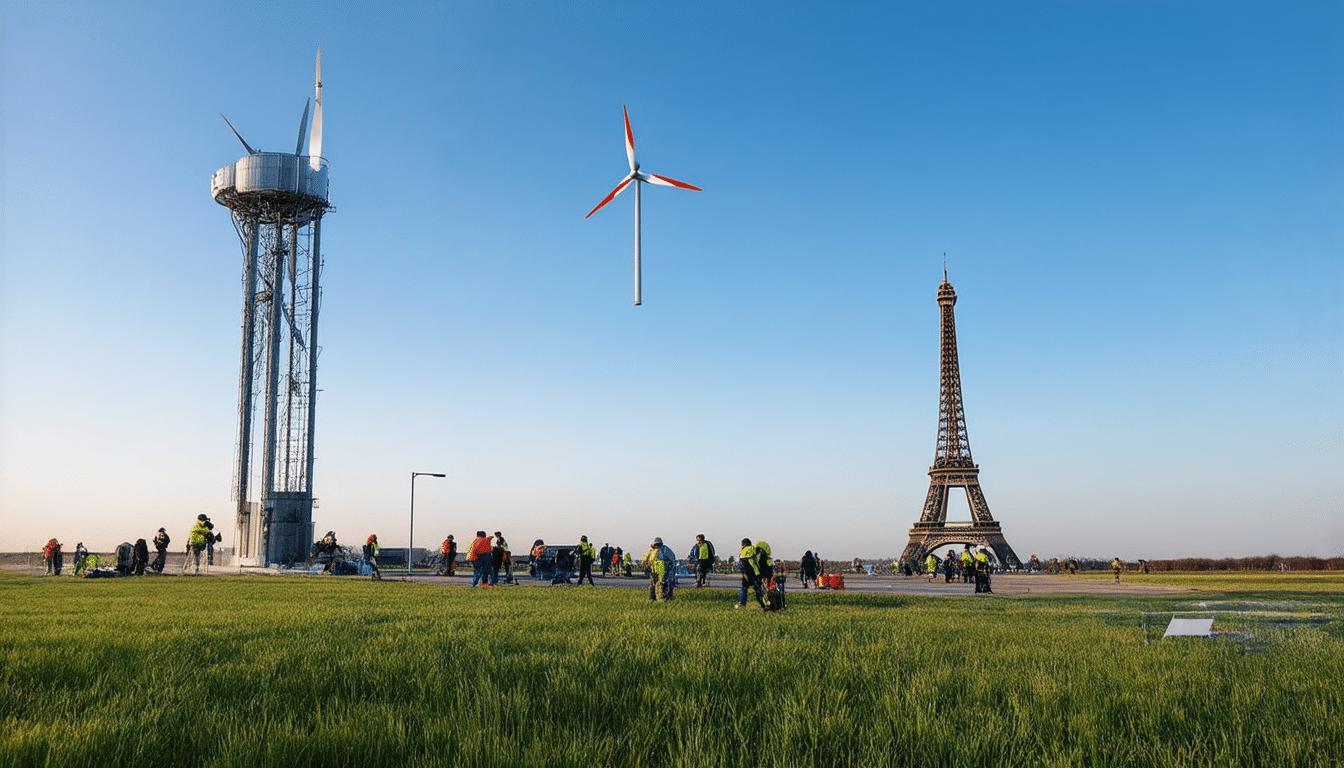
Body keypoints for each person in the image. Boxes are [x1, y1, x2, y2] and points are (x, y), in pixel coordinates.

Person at [736, 538, 766, 610]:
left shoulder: (743, 551)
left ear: (744, 544)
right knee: (758, 588)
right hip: (756, 572)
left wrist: (743, 574)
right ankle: (763, 603)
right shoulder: (754, 549)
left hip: (747, 572)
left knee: (744, 587)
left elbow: (742, 563)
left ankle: (742, 603)